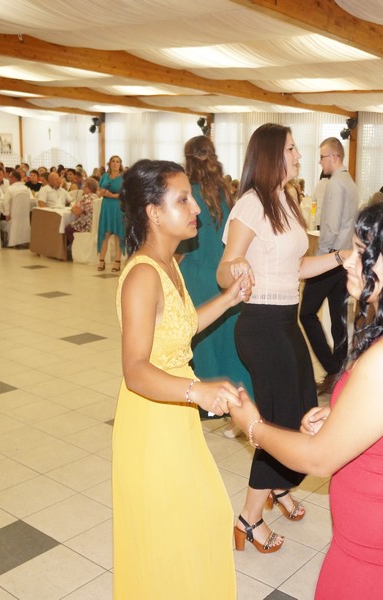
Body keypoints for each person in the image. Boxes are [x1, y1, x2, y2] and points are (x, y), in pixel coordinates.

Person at [229, 201, 383, 598]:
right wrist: (341, 413)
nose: (349, 260)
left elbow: (317, 459)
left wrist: (253, 426)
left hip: (377, 551)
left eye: (363, 253)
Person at [113, 159, 249, 599]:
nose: (196, 208)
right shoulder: (142, 275)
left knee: (201, 518)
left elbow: (180, 326)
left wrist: (228, 299)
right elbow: (135, 369)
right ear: (153, 212)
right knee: (171, 535)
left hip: (175, 413)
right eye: (183, 200)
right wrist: (198, 390)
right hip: (152, 419)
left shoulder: (169, 263)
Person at [216, 123, 347, 553]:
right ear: (272, 154)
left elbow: (298, 267)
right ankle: (248, 519)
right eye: (291, 149)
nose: (299, 155)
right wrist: (236, 269)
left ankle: (278, 487)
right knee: (277, 422)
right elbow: (224, 269)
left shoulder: (286, 200)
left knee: (303, 409)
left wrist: (341, 257)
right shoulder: (251, 204)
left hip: (286, 322)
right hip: (260, 326)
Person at [177, 135, 253, 422]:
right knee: (227, 340)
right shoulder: (225, 191)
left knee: (199, 339)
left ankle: (208, 401)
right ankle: (238, 397)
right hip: (222, 273)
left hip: (195, 272)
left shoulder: (186, 194)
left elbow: (182, 243)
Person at [300, 137, 359, 395]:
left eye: (322, 157)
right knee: (338, 317)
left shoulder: (336, 183)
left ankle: (332, 367)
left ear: (334, 157)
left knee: (306, 313)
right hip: (344, 258)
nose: (320, 162)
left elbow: (331, 227)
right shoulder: (350, 182)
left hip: (331, 257)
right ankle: (340, 371)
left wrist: (319, 257)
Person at [96, 155, 125, 272]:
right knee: (105, 234)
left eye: (117, 161)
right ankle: (101, 260)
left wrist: (113, 195)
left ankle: (117, 261)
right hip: (106, 207)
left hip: (117, 207)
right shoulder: (104, 176)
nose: (115, 163)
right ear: (109, 163)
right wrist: (102, 192)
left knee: (118, 234)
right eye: (113, 161)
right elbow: (98, 190)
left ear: (120, 164)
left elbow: (125, 194)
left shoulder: (123, 178)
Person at [65, 177, 98, 248]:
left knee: (68, 229)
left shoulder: (86, 197)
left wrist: (73, 208)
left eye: (85, 187)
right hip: (95, 225)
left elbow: (76, 212)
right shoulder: (97, 197)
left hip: (86, 225)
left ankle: (77, 247)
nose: (83, 188)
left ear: (91, 188)